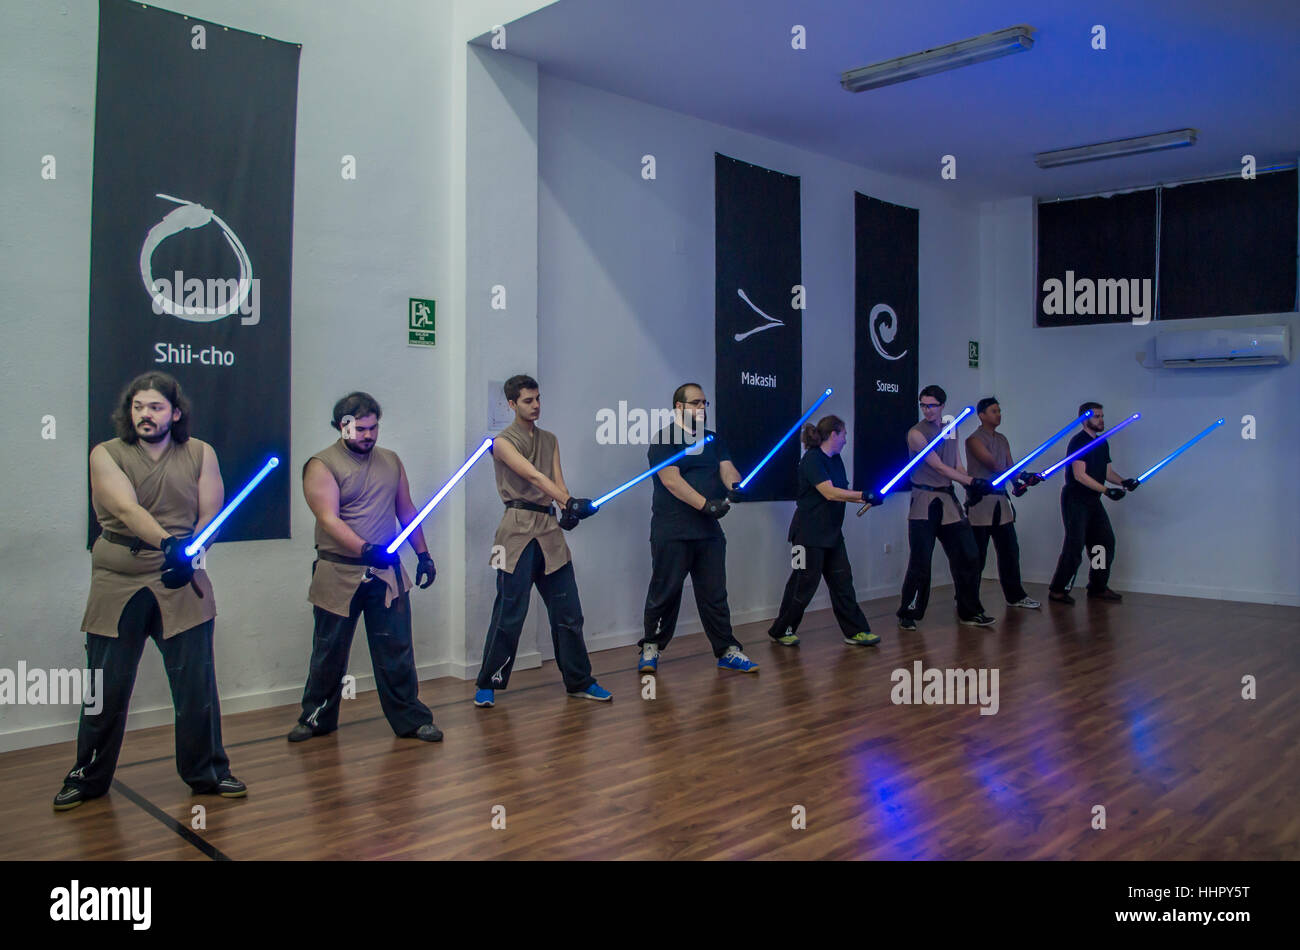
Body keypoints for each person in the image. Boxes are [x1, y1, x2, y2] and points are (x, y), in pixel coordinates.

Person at [54, 372, 245, 810]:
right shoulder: (106, 454)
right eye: (138, 406)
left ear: (175, 413)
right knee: (107, 686)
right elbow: (124, 507)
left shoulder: (200, 453)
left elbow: (211, 513)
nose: (145, 414)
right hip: (118, 581)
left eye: (155, 407)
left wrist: (191, 556)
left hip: (181, 578)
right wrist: (169, 545)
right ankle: (86, 777)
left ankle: (209, 772)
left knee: (196, 686)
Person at [290, 392, 442, 743]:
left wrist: (423, 554)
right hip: (338, 571)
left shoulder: (391, 461)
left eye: (373, 428)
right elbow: (327, 518)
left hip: (385, 574)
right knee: (329, 651)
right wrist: (365, 549)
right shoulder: (321, 464)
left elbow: (407, 510)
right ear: (340, 427)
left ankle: (411, 719)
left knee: (397, 649)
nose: (368, 435)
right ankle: (315, 718)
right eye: (360, 429)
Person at [473, 375, 611, 706]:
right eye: (527, 401)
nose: (535, 406)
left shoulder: (550, 439)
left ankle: (579, 680)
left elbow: (555, 480)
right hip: (514, 532)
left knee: (569, 612)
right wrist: (567, 500)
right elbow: (533, 476)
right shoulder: (501, 442)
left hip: (549, 532)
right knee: (508, 612)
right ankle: (488, 684)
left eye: (537, 399)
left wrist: (568, 507)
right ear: (511, 404)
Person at [637, 383, 757, 675]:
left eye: (704, 403)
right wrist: (706, 505)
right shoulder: (665, 439)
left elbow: (726, 468)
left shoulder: (713, 439)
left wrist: (735, 485)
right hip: (673, 530)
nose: (702, 408)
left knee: (714, 593)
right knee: (665, 592)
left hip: (708, 532)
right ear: (679, 407)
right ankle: (651, 647)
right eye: (695, 403)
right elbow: (671, 480)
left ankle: (727, 650)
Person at [767, 415, 882, 647]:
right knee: (803, 582)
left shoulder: (836, 460)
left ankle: (856, 631)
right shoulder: (811, 460)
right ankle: (782, 630)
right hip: (806, 535)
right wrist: (863, 495)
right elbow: (829, 492)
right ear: (833, 434)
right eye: (844, 434)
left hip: (831, 534)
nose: (846, 439)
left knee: (843, 582)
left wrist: (867, 498)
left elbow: (842, 491)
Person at [897, 385, 996, 631]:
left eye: (931, 405)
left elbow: (956, 464)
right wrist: (972, 481)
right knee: (921, 562)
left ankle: (970, 610)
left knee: (969, 555)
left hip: (948, 501)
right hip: (924, 502)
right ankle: (908, 612)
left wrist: (970, 483)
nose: (927, 410)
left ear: (942, 406)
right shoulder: (915, 434)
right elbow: (939, 467)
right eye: (923, 405)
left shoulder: (951, 426)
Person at [1047, 402, 1139, 604]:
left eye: (1102, 416)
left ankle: (1097, 586)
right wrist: (1106, 491)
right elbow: (1079, 475)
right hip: (1076, 499)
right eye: (1096, 416)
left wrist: (1123, 482)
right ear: (1084, 419)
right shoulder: (1078, 442)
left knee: (1103, 543)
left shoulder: (1102, 443)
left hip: (1092, 500)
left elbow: (1107, 473)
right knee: (1075, 545)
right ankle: (1058, 589)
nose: (1101, 420)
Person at [964, 397, 1040, 609]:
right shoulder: (973, 440)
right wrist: (1021, 474)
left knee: (1009, 551)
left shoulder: (1002, 439)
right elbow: (994, 465)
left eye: (999, 410)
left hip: (1001, 503)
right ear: (982, 415)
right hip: (981, 504)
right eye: (994, 411)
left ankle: (1015, 596)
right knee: (976, 555)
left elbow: (1009, 465)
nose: (999, 414)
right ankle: (967, 598)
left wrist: (1020, 482)